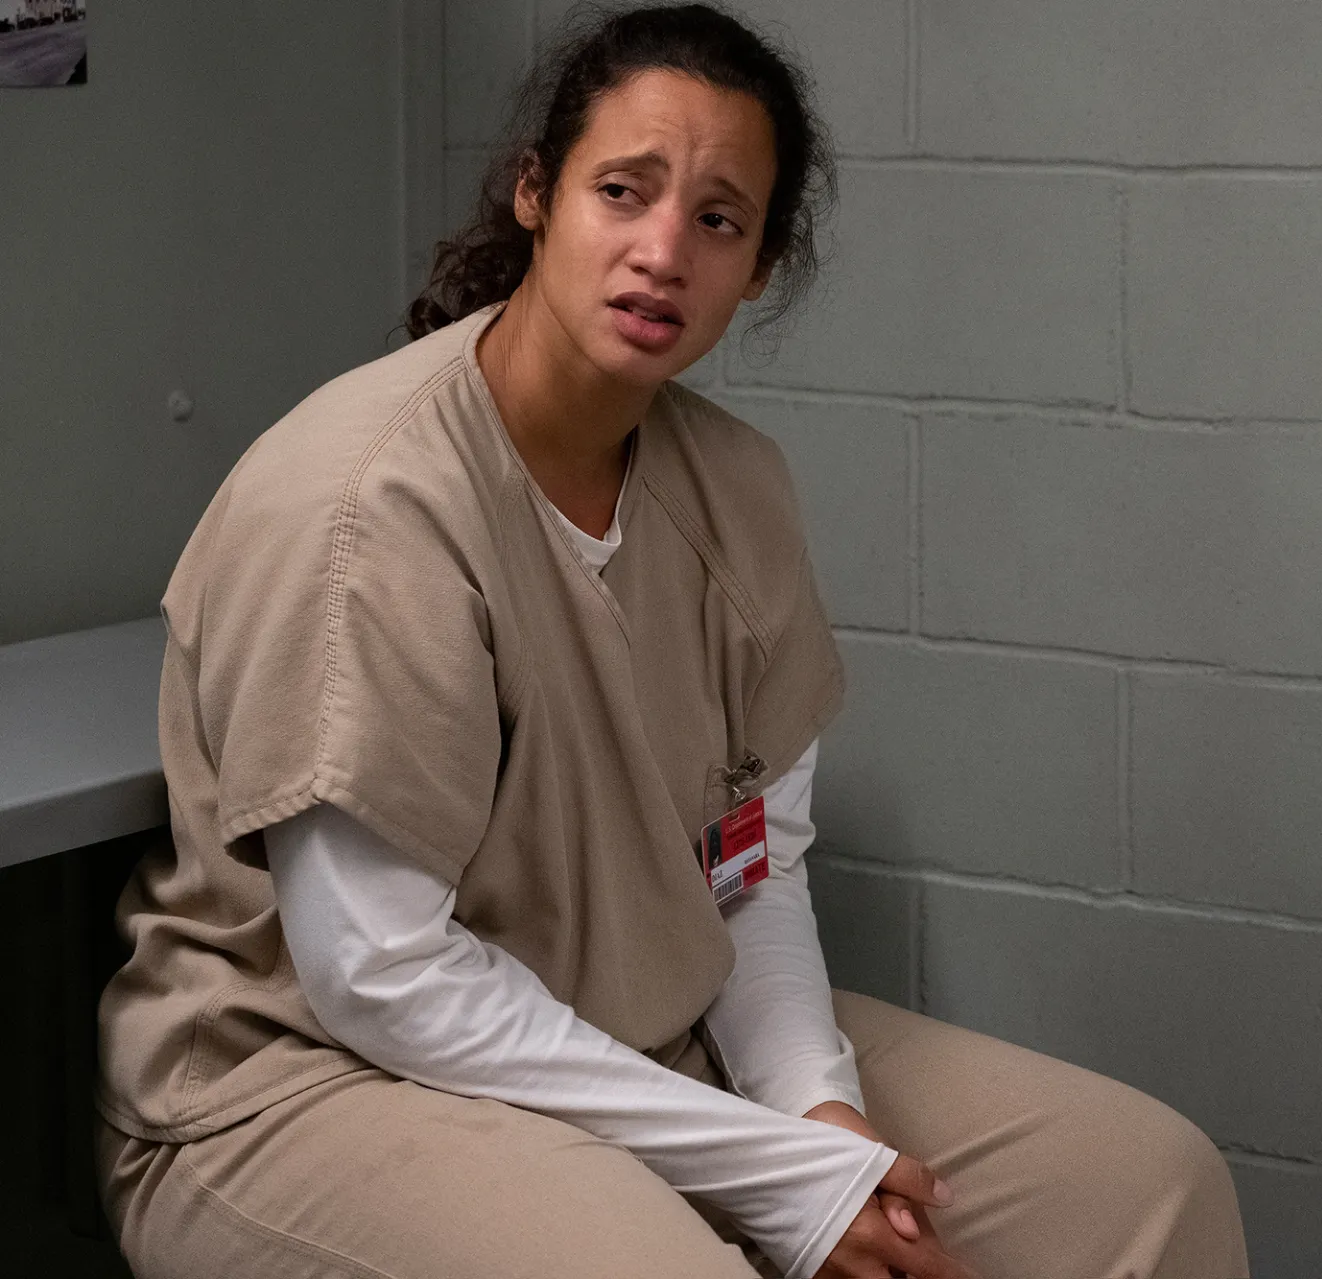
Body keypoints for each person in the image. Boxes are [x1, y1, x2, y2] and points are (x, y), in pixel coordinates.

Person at [90, 5, 1250, 1277]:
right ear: (536, 193)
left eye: (717, 219)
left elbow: (749, 870)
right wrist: (780, 1179)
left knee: (1145, 1184)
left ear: (759, 267)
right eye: (621, 191)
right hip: (307, 1085)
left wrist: (816, 1114)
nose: (662, 252)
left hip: (644, 1032)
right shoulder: (368, 502)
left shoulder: (736, 490)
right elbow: (378, 974)